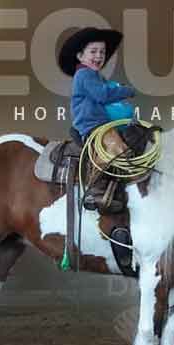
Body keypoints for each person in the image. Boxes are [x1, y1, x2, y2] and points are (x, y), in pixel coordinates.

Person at [59, 27, 135, 213]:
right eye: (93, 51)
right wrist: (126, 90)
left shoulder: (94, 75)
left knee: (121, 149)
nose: (99, 55)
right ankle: (94, 191)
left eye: (102, 52)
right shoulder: (84, 74)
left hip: (100, 122)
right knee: (116, 150)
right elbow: (102, 95)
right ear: (80, 56)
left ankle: (110, 189)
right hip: (92, 124)